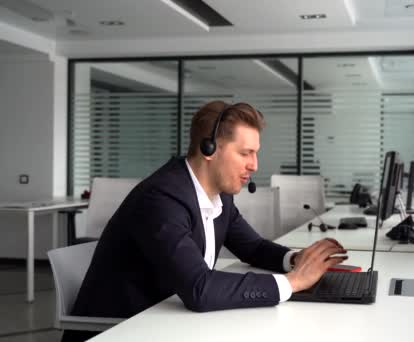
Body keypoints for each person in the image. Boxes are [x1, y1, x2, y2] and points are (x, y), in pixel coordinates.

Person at [62, 101, 347, 342]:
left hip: (167, 318)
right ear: (209, 149)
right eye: (245, 153)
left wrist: (296, 259)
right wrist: (292, 282)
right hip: (122, 329)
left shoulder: (219, 196)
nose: (255, 165)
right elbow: (199, 289)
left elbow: (253, 248)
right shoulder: (161, 198)